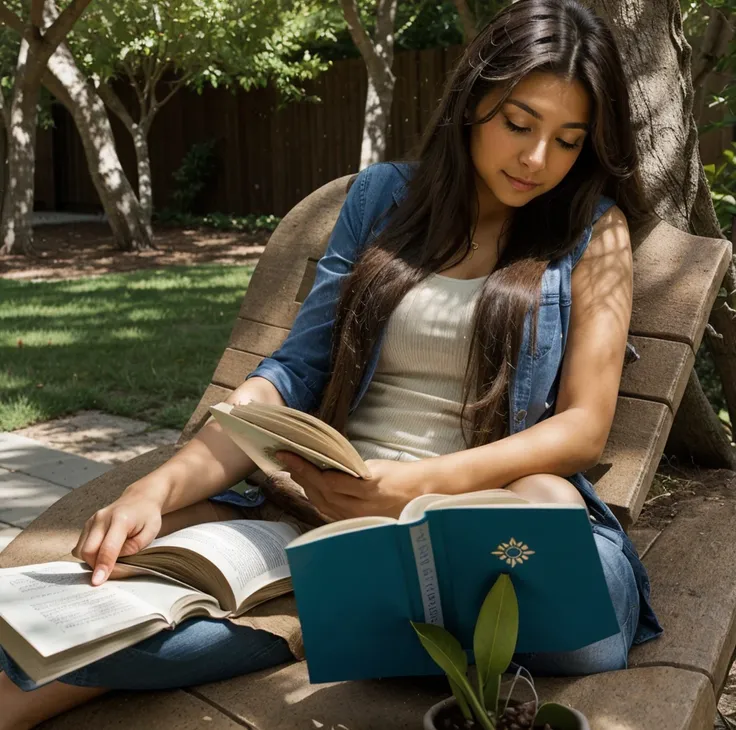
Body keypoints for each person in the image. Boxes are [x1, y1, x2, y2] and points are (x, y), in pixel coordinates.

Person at [0, 0, 664, 726]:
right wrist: (154, 489)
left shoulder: (593, 230)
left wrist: (411, 488)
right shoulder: (382, 200)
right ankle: (349, 615)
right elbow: (290, 374)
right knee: (104, 592)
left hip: (478, 513)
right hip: (328, 514)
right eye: (518, 124)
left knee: (579, 576)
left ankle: (326, 618)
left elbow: (583, 427)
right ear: (473, 101)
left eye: (568, 141)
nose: (538, 160)